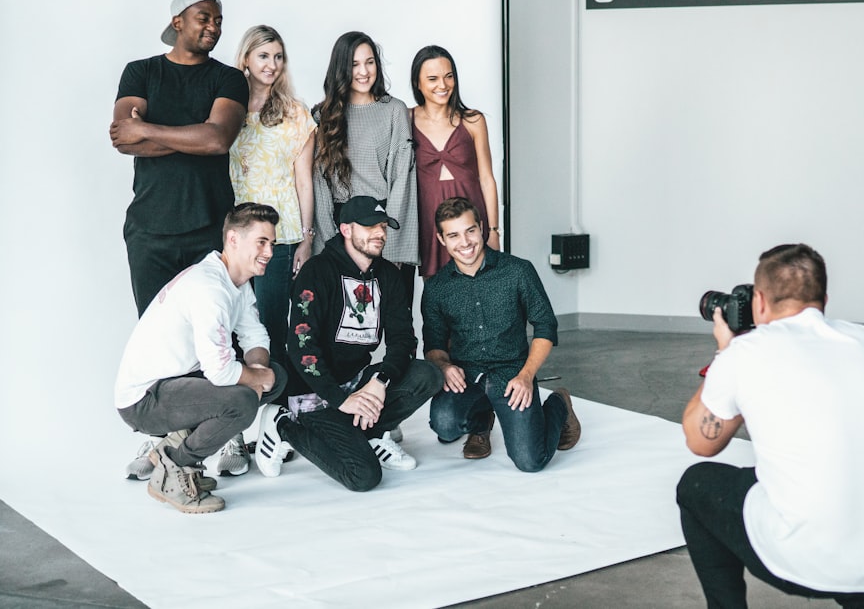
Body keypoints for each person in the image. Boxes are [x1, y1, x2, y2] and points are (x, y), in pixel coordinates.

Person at [677, 244, 864, 608]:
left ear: (759, 302)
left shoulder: (746, 354)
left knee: (696, 484)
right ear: (823, 299)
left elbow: (701, 442)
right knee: (820, 481)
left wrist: (725, 354)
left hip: (807, 558)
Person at [256, 196, 441, 490]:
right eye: (369, 226)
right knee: (363, 476)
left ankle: (371, 432)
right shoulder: (316, 272)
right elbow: (303, 348)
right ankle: (283, 425)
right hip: (314, 392)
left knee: (427, 374)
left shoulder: (388, 276)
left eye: (383, 226)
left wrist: (379, 381)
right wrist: (341, 400)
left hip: (357, 382)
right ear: (346, 229)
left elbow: (403, 339)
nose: (379, 233)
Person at [114, 203, 288, 514]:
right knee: (242, 402)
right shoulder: (210, 289)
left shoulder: (235, 281)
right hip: (144, 398)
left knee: (274, 376)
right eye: (261, 242)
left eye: (272, 243)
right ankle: (175, 467)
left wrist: (260, 370)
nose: (269, 252)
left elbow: (255, 336)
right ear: (233, 239)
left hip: (177, 381)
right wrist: (257, 380)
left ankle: (174, 443)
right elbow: (220, 372)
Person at [110, 0, 248, 316]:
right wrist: (195, 135)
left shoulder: (229, 79)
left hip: (211, 230)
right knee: (159, 341)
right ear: (177, 22)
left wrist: (144, 128)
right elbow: (123, 139)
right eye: (204, 18)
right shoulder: (140, 72)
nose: (213, 27)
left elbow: (217, 141)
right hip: (149, 232)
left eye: (218, 20)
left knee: (213, 338)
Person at [421, 197, 581, 471]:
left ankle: (559, 405)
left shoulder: (518, 271)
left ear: (481, 227)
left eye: (470, 230)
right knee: (445, 426)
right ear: (441, 239)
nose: (465, 242)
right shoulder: (437, 288)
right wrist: (444, 366)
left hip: (512, 374)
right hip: (467, 375)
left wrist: (527, 376)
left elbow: (545, 326)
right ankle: (482, 421)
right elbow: (434, 344)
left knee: (531, 461)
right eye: (454, 235)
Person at [230, 25, 316, 365]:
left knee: (271, 322)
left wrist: (307, 239)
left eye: (278, 57)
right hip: (237, 233)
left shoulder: (295, 113)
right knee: (236, 321)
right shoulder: (228, 109)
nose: (272, 64)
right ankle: (247, 403)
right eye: (264, 56)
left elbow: (304, 181)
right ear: (246, 60)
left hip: (280, 235)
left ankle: (278, 404)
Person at [312, 31, 418, 304]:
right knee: (342, 320)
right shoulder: (322, 115)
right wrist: (329, 243)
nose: (363, 71)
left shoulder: (394, 110)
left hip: (383, 222)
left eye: (370, 62)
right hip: (341, 227)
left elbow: (402, 179)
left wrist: (392, 244)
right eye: (355, 64)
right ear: (341, 68)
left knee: (395, 317)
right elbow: (319, 184)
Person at [410, 45, 500, 278]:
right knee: (437, 293)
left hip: (472, 217)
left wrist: (493, 231)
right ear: (418, 83)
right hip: (429, 221)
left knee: (481, 288)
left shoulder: (473, 120)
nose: (443, 85)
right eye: (432, 78)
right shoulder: (405, 119)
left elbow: (487, 179)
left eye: (448, 76)